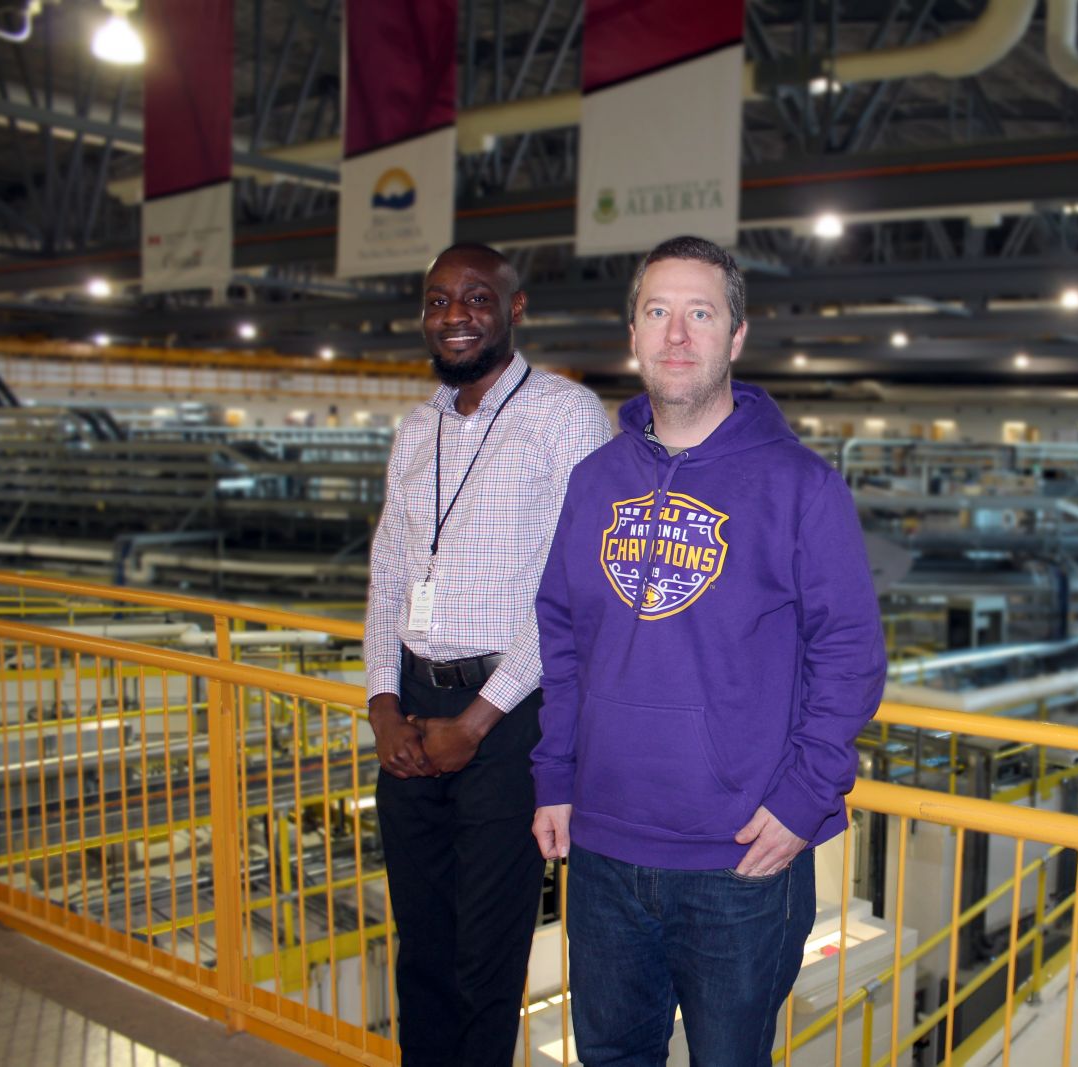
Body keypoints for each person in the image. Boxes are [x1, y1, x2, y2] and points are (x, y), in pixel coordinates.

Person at [530, 235, 886, 1065]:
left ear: (735, 337)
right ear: (633, 333)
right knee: (612, 1054)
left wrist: (806, 797)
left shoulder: (800, 484)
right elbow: (564, 638)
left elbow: (850, 654)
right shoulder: (595, 480)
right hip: (606, 847)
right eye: (658, 312)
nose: (678, 334)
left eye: (700, 313)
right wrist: (554, 774)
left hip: (740, 860)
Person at [364, 242, 612, 1065]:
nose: (456, 315)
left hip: (508, 719)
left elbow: (572, 590)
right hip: (411, 704)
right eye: (439, 301)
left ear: (516, 308)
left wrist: (475, 720)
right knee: (423, 945)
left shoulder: (567, 416)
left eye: (476, 298)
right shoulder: (416, 427)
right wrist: (381, 704)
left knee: (486, 955)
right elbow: (390, 572)